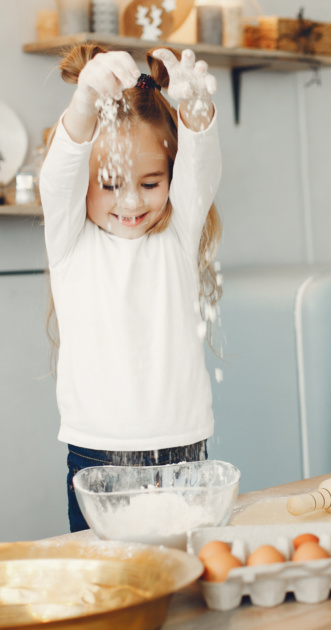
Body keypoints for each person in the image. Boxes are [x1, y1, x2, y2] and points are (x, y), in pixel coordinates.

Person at [40, 44, 222, 532]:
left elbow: (201, 172)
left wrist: (196, 110)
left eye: (149, 183)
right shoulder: (71, 241)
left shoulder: (179, 233)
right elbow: (56, 180)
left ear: (169, 178)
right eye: (110, 183)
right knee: (111, 581)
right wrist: (83, 105)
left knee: (185, 580)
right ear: (85, 183)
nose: (129, 202)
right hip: (96, 458)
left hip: (184, 453)